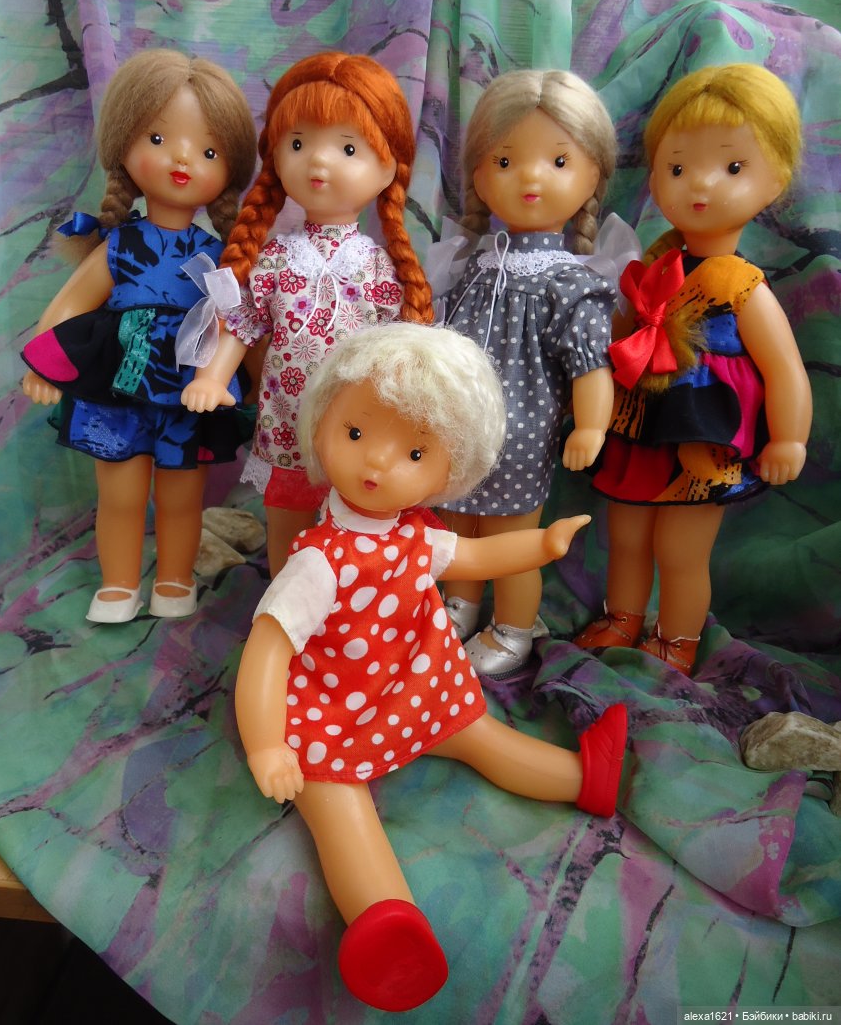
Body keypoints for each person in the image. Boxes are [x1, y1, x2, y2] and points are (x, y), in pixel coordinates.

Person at [234, 322, 628, 1012]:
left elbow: (475, 557)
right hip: (332, 710)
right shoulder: (319, 562)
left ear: (452, 469)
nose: (376, 462)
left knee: (478, 734)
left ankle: (583, 776)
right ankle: (385, 922)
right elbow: (267, 651)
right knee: (337, 802)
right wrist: (268, 745)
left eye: (415, 452)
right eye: (356, 432)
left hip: (413, 687)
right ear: (321, 420)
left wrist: (542, 544)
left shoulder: (416, 534)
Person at [575, 63, 812, 675]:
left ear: (775, 178)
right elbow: (621, 337)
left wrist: (789, 438)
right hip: (638, 425)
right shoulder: (653, 266)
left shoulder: (742, 284)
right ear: (655, 176)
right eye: (678, 169)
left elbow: (785, 369)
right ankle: (622, 617)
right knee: (627, 534)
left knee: (680, 548)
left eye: (732, 167)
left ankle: (675, 639)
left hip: (702, 435)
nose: (700, 184)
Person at [21, 49, 257, 622]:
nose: (182, 159)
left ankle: (175, 579)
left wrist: (242, 381)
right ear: (124, 144)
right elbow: (70, 304)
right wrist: (43, 366)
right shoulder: (119, 245)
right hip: (117, 391)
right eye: (158, 138)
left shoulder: (216, 255)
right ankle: (119, 584)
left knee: (181, 498)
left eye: (208, 151)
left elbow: (238, 324)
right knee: (121, 496)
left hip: (186, 393)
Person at [180, 52, 433, 578]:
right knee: (288, 526)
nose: (319, 162)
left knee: (355, 532)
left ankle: (343, 610)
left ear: (389, 166)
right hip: (288, 427)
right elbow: (243, 323)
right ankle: (284, 607)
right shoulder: (275, 257)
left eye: (347, 148)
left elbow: (400, 352)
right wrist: (213, 376)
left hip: (361, 432)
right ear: (276, 157)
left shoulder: (379, 266)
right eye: (298, 144)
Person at [437, 69, 618, 676]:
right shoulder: (476, 266)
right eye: (505, 160)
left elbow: (590, 363)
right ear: (479, 175)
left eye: (558, 161)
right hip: (458, 428)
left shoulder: (571, 282)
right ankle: (459, 605)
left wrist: (590, 426)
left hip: (521, 435)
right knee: (459, 525)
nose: (530, 177)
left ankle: (513, 626)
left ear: (592, 177)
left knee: (512, 540)